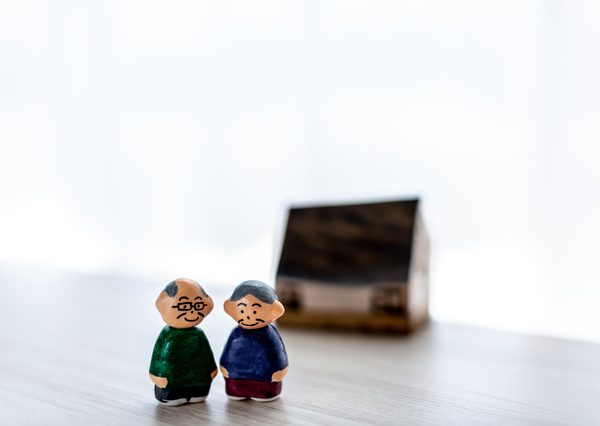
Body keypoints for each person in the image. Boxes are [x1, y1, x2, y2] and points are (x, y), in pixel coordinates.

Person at [149, 278, 218, 406]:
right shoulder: (168, 335)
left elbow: (206, 354)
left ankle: (196, 393)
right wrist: (157, 373)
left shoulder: (198, 334)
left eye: (198, 306)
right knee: (172, 393)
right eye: (184, 306)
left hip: (199, 381)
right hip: (171, 383)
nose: (192, 311)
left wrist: (211, 368)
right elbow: (159, 357)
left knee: (198, 390)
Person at [220, 280, 289, 402]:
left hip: (265, 379)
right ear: (230, 308)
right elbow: (227, 352)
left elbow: (278, 352)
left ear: (275, 310)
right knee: (236, 391)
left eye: (255, 311)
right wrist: (224, 365)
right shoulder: (236, 333)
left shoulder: (269, 334)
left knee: (263, 392)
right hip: (236, 378)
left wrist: (281, 368)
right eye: (242, 310)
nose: (248, 316)